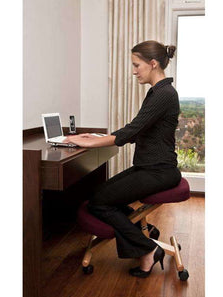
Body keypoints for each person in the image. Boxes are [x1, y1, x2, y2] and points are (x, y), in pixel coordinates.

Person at [64, 40, 181, 278]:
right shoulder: (158, 92)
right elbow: (138, 131)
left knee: (99, 202)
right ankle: (143, 233)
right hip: (150, 167)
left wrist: (87, 142)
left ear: (153, 63)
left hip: (159, 171)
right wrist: (94, 137)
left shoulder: (164, 94)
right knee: (101, 194)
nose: (134, 70)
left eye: (137, 65)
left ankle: (147, 249)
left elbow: (132, 131)